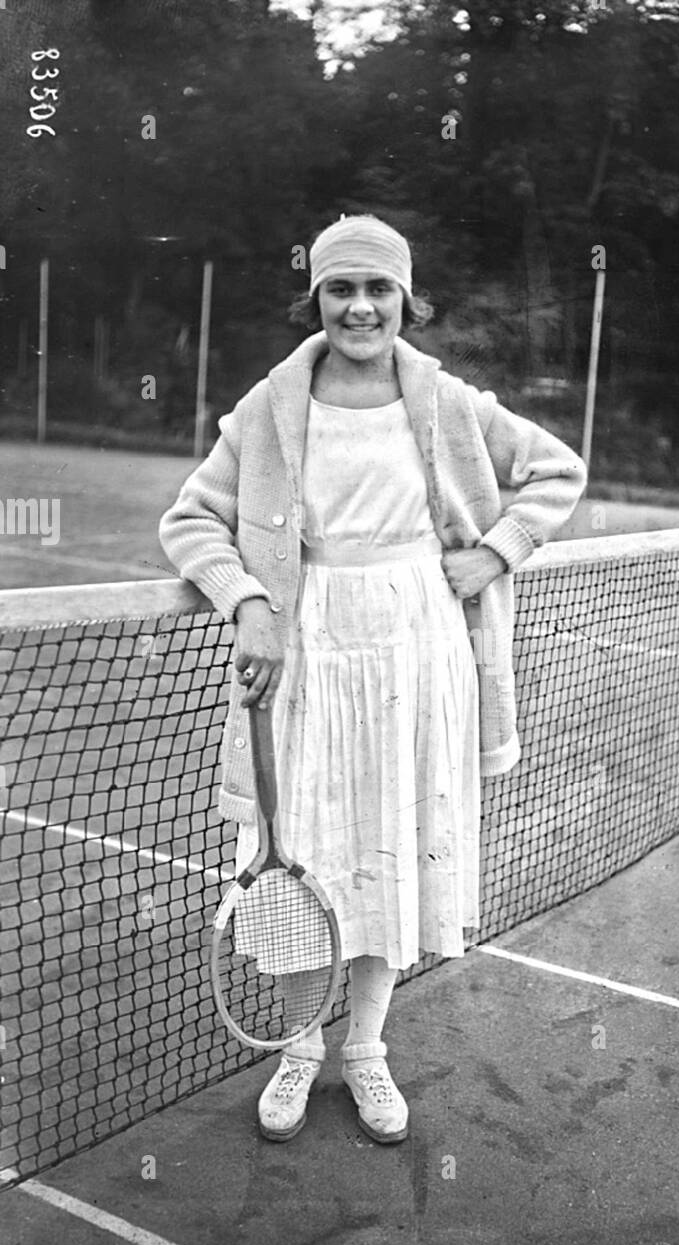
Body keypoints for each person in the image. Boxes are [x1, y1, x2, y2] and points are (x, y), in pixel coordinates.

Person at [159, 214, 585, 1146]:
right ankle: (299, 1051)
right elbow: (192, 520)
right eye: (340, 290)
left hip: (419, 646)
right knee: (304, 842)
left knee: (395, 835)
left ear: (405, 299)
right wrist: (248, 603)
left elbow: (557, 469)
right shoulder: (268, 409)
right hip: (307, 653)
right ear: (315, 299)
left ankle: (365, 1050)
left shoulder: (450, 402)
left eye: (378, 290)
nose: (360, 308)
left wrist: (498, 551)